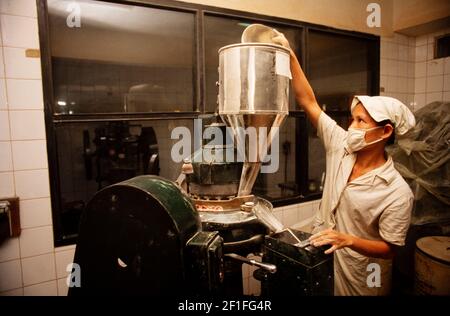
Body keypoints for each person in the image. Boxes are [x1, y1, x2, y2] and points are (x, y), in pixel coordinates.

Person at [272, 31, 416, 295]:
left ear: (385, 132)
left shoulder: (396, 192)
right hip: (323, 261)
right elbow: (308, 101)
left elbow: (390, 249)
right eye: (353, 119)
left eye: (361, 121)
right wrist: (289, 53)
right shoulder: (341, 145)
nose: (352, 126)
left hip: (362, 277)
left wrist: (348, 240)